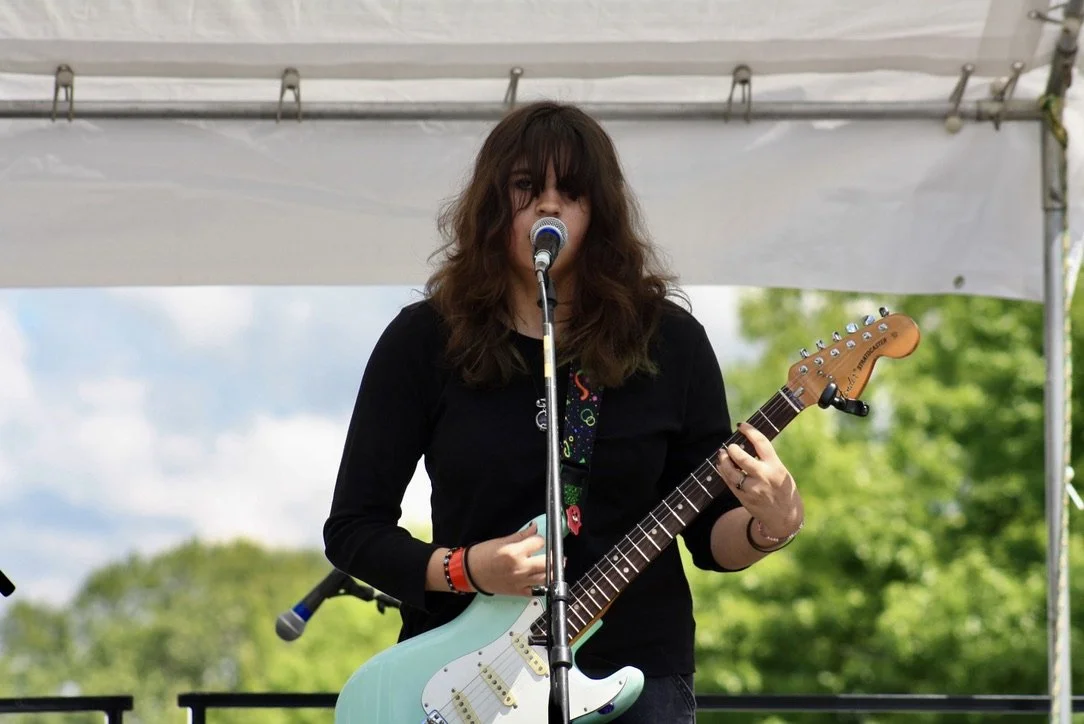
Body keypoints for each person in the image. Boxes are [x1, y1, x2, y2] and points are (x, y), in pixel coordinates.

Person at [323, 100, 805, 724]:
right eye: (526, 186)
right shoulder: (425, 341)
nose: (549, 205)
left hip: (635, 678)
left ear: (599, 211)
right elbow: (353, 530)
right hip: (465, 685)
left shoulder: (668, 342)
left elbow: (711, 538)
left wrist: (772, 524)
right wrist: (469, 569)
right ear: (493, 203)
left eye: (572, 191)